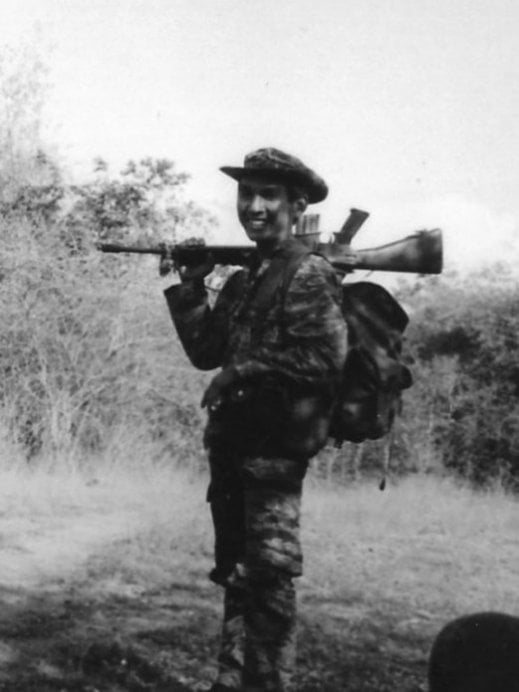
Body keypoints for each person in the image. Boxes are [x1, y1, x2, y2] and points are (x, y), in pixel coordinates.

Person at [162, 147, 347, 692]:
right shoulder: (246, 279)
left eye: (269, 195)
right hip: (234, 450)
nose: (255, 206)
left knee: (267, 586)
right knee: (238, 578)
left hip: (273, 455)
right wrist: (192, 285)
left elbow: (327, 361)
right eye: (246, 194)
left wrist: (245, 366)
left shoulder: (307, 273)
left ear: (297, 205)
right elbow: (205, 351)